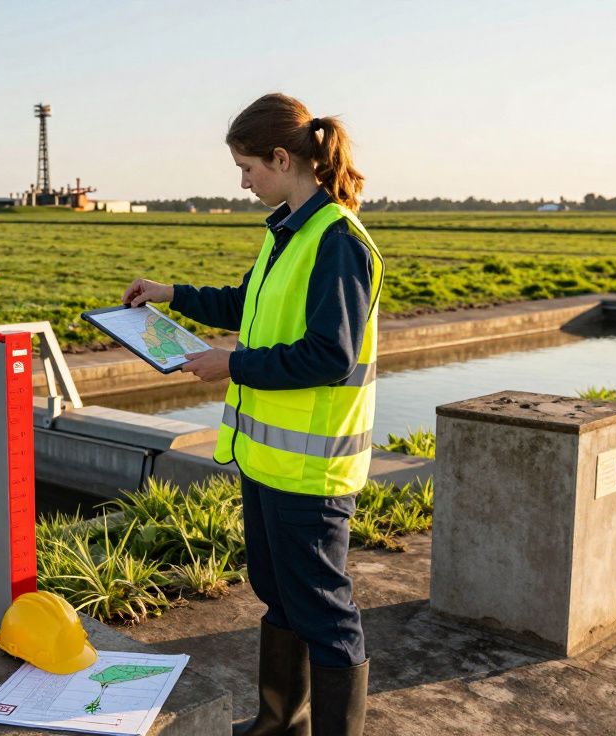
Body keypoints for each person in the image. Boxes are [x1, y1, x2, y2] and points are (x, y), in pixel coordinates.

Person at [123, 92, 384, 736]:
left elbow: (329, 355)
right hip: (267, 461)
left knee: (324, 611)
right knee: (279, 596)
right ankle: (280, 722)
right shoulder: (287, 231)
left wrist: (229, 366)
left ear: (281, 156)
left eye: (248, 168)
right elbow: (248, 304)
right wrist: (172, 295)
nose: (243, 183)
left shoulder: (338, 241)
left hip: (311, 471)